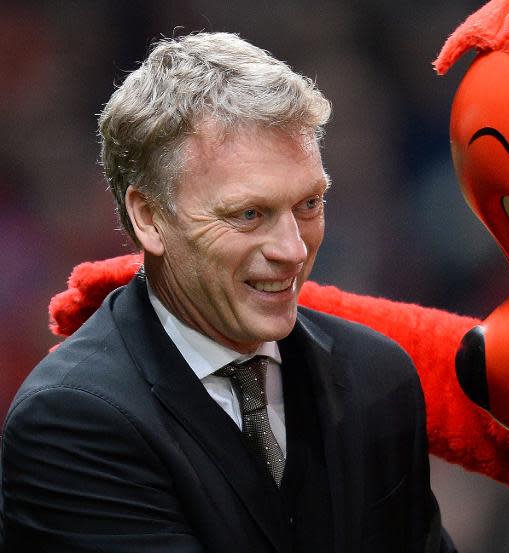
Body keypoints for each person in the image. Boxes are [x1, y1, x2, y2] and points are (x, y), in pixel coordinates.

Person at [0, 32, 456, 553]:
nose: (292, 248)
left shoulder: (378, 377)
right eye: (248, 214)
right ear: (148, 218)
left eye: (308, 204)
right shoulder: (72, 421)